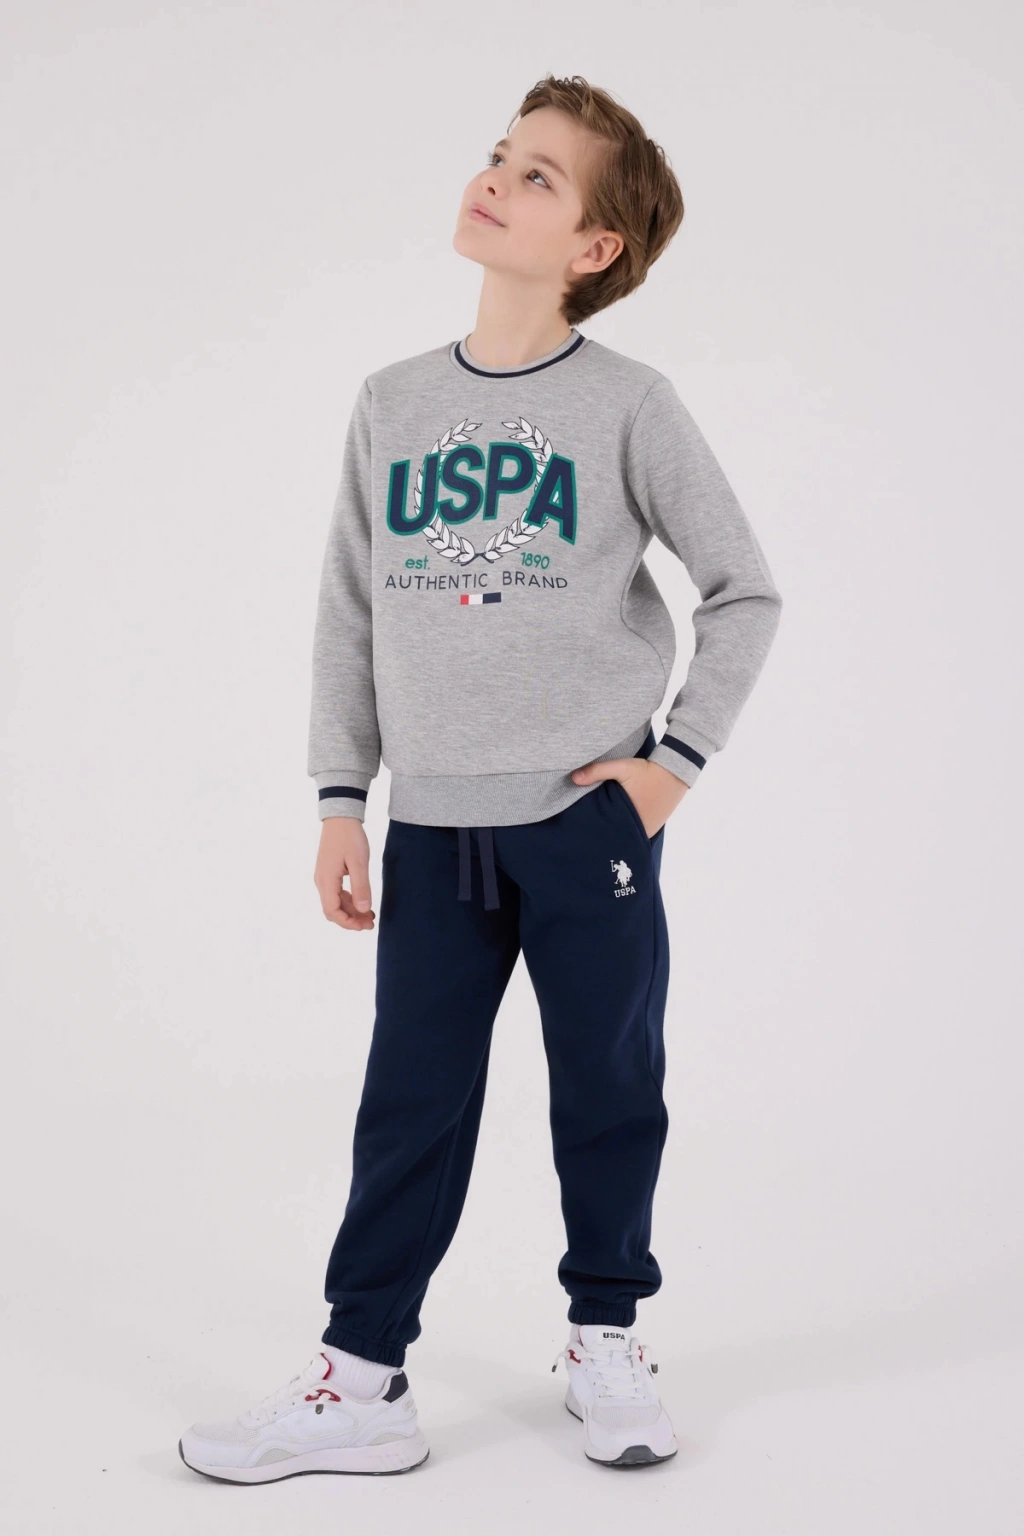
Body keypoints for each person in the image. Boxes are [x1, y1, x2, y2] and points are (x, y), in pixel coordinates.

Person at [179, 72, 782, 1483]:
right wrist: (341, 799)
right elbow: (349, 609)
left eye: (539, 177)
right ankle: (362, 1376)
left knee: (610, 1086)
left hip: (585, 826)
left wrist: (668, 772)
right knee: (411, 1100)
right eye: (500, 157)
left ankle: (606, 1339)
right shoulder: (391, 402)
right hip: (433, 828)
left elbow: (746, 591)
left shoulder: (630, 405)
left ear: (595, 247)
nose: (497, 181)